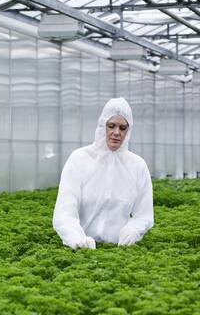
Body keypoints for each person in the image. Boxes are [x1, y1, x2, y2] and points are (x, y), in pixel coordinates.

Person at [53, 97, 154, 249]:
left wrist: (134, 229)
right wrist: (76, 238)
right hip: (80, 250)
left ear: (129, 130)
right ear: (102, 126)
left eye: (122, 128)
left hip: (119, 252)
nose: (116, 132)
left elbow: (144, 214)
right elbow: (64, 210)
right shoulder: (79, 159)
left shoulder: (137, 166)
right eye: (111, 126)